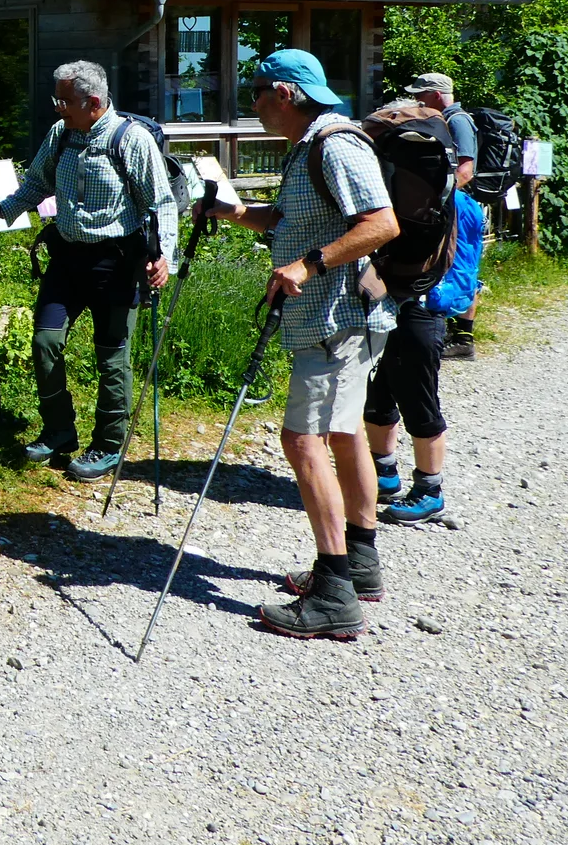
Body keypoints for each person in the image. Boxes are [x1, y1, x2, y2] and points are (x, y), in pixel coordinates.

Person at [201, 49, 399, 638]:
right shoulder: (309, 148)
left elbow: (381, 223)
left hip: (335, 319)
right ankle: (359, 567)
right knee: (342, 434)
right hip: (338, 317)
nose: (252, 105)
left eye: (257, 93)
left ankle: (334, 593)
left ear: (285, 92)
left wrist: (307, 267)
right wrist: (232, 211)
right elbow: (292, 220)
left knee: (301, 439)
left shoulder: (335, 144)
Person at [0, 61, 176, 482]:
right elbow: (37, 183)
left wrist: (164, 257)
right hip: (67, 258)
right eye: (57, 99)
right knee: (45, 341)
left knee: (111, 357)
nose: (58, 108)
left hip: (117, 263)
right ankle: (59, 431)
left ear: (95, 102)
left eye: (64, 101)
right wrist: (0, 210)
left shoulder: (131, 140)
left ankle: (107, 444)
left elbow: (162, 203)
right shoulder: (62, 134)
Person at [368, 184, 486, 523]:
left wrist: (432, 300)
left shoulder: (458, 204)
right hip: (389, 305)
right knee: (378, 395)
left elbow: (464, 269)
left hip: (422, 311)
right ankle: (383, 473)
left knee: (419, 401)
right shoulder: (401, 192)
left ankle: (429, 491)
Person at [405, 72, 480, 357]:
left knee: (459, 264)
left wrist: (436, 199)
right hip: (451, 201)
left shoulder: (456, 120)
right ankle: (449, 331)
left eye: (420, 96)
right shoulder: (444, 119)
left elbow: (465, 171)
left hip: (458, 204)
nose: (417, 101)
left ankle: (463, 339)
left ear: (436, 95)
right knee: (447, 262)